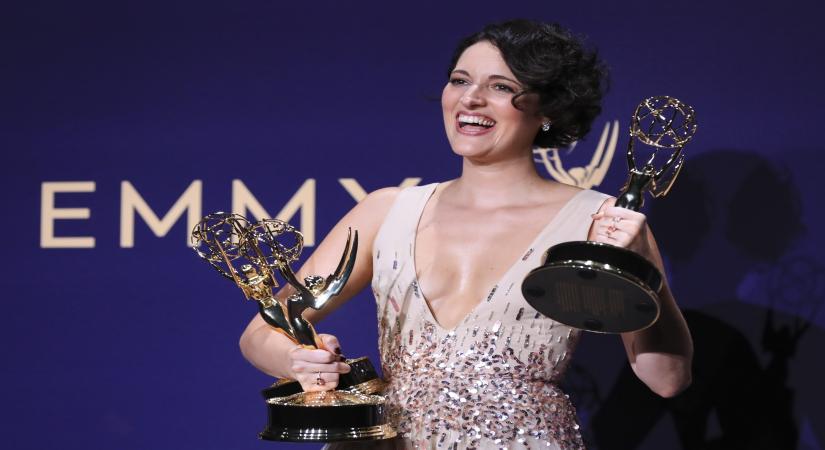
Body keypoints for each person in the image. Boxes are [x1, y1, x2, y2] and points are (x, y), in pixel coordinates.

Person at [239, 19, 693, 449]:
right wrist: (298, 361)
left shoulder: (600, 220)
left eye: (501, 87)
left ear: (549, 108)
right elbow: (260, 333)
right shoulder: (385, 211)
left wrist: (642, 267)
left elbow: (666, 378)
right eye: (460, 80)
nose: (471, 99)